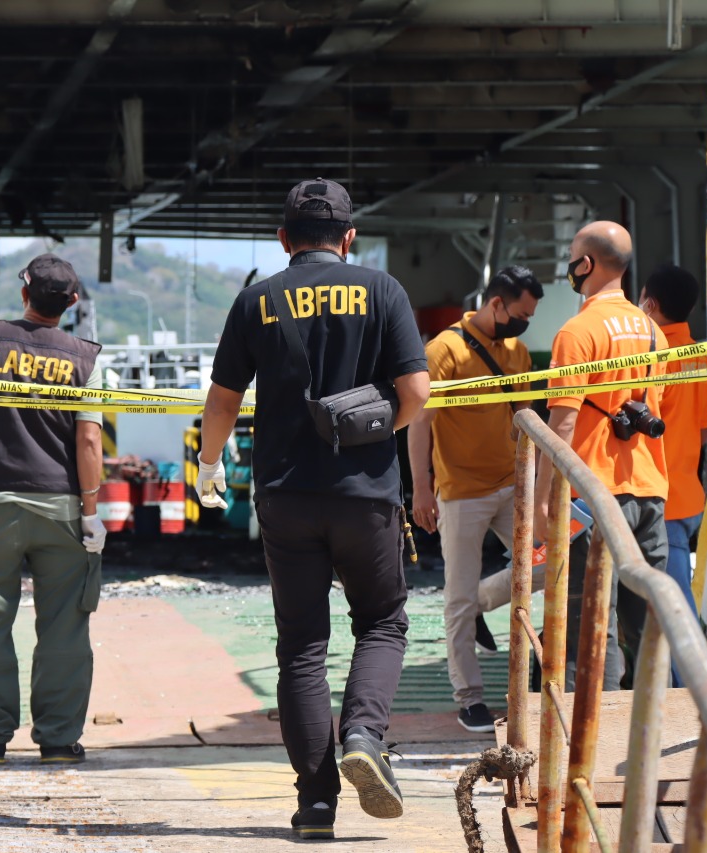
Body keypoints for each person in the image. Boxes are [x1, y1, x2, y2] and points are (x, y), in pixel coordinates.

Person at [197, 178, 430, 840]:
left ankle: (314, 804)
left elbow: (221, 401)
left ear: (283, 237)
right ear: (349, 238)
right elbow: (416, 390)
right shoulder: (383, 290)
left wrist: (211, 466)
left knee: (302, 645)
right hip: (366, 495)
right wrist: (376, 429)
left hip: (285, 493)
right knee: (382, 622)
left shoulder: (256, 299)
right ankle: (364, 732)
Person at [0, 253, 107, 765]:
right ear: (73, 302)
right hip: (61, 507)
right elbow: (88, 440)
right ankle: (59, 741)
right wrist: (90, 510)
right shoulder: (86, 357)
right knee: (64, 625)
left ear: (24, 293)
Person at [534, 221, 670, 691]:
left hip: (592, 497)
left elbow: (563, 424)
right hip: (649, 493)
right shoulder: (654, 331)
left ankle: (588, 743)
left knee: (590, 628)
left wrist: (541, 502)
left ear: (586, 264)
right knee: (648, 624)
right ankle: (653, 731)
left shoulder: (577, 332)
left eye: (573, 257)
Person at [409, 266, 543, 733]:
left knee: (551, 562)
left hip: (510, 484)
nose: (524, 324)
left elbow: (526, 417)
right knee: (456, 597)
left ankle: (485, 601)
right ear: (496, 304)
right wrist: (422, 488)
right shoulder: (442, 350)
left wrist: (537, 486)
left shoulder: (518, 350)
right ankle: (469, 698)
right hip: (460, 491)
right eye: (521, 314)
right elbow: (420, 422)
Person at [639, 264, 707, 683]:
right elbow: (702, 428)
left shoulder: (652, 358)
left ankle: (696, 693)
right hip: (686, 494)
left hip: (658, 501)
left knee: (673, 606)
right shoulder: (698, 356)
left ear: (650, 304)